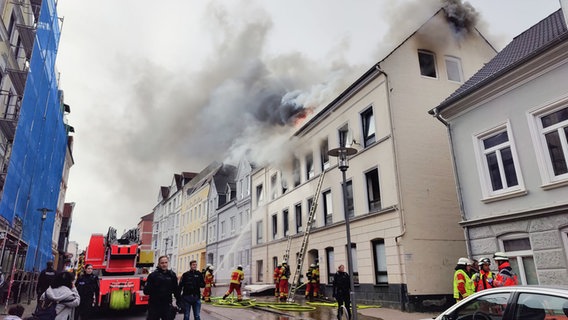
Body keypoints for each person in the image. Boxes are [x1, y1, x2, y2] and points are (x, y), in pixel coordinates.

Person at [143, 255, 181, 320]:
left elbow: (176, 290)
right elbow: (146, 291)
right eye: (162, 263)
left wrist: (179, 302)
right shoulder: (153, 275)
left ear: (168, 263)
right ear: (159, 264)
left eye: (166, 262)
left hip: (167, 304)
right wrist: (154, 286)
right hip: (154, 305)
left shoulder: (172, 275)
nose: (164, 265)